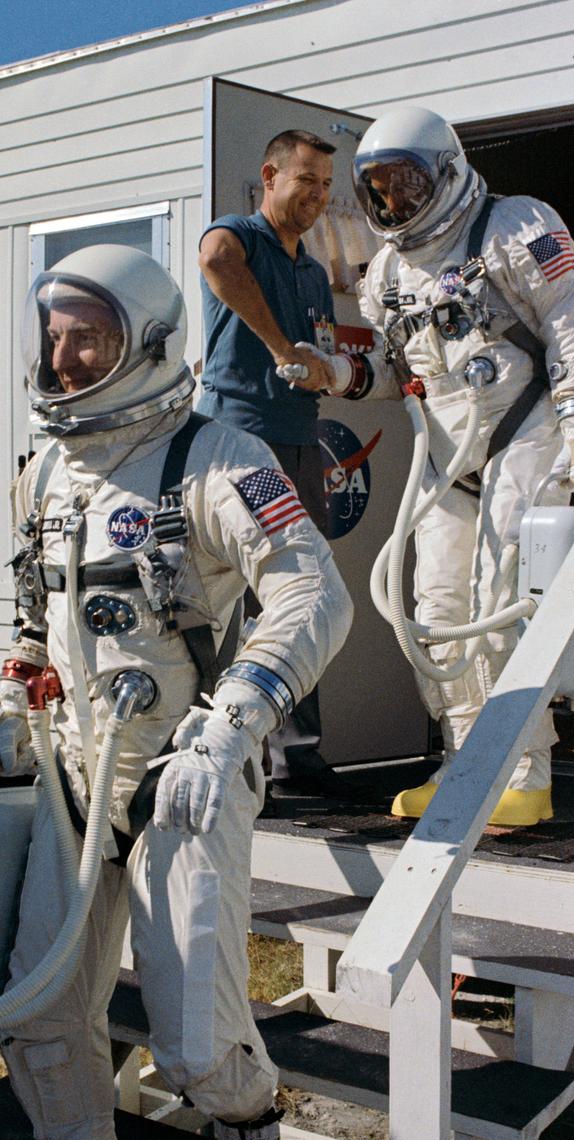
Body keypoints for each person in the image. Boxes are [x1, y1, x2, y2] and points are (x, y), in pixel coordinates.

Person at [0, 244, 352, 1140]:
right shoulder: (45, 468)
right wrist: (14, 689)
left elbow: (315, 593)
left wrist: (237, 712)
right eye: (50, 338)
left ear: (144, 342)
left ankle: (244, 1112)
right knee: (40, 1019)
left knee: (190, 1043)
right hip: (70, 777)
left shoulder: (219, 457)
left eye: (84, 337)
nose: (61, 360)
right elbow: (32, 611)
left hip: (187, 766)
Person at [278, 105, 574, 826]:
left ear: (446, 174)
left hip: (524, 428)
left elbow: (569, 320)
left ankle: (524, 774)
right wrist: (334, 373)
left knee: (497, 606)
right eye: (380, 189)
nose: (394, 202)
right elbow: (397, 371)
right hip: (445, 450)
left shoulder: (514, 226)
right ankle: (464, 764)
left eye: (406, 183)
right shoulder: (389, 271)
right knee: (433, 613)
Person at [197, 128, 350, 801]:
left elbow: (314, 353)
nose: (317, 196)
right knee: (235, 603)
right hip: (243, 444)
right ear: (270, 174)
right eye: (305, 180)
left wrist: (321, 368)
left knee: (304, 594)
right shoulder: (240, 236)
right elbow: (215, 260)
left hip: (300, 443)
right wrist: (279, 345)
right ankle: (229, 753)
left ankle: (297, 755)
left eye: (324, 185)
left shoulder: (313, 270)